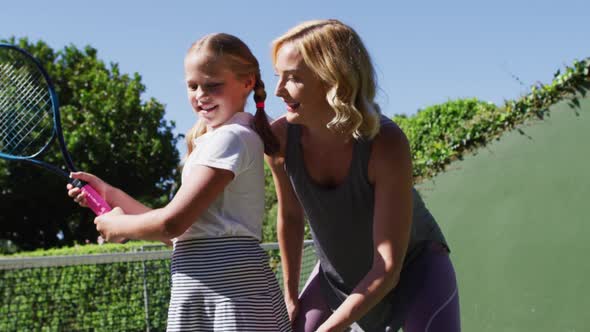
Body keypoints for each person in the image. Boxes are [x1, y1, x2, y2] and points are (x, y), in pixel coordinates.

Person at [67, 33, 291, 332]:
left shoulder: (231, 138)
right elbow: (176, 235)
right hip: (200, 284)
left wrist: (118, 227)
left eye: (212, 85)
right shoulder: (216, 141)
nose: (200, 94)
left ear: (248, 82)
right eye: (192, 85)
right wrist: (109, 194)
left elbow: (172, 224)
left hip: (229, 292)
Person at [266, 19, 461, 332]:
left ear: (332, 79)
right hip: (335, 279)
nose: (278, 90)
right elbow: (290, 216)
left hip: (414, 272)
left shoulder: (386, 142)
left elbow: (387, 268)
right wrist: (289, 295)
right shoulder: (279, 141)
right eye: (278, 76)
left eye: (293, 78)